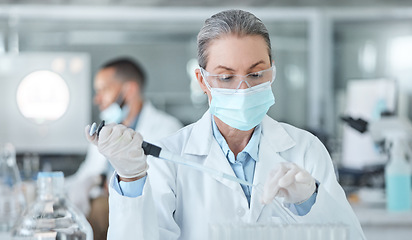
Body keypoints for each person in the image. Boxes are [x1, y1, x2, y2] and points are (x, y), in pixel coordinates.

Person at [86, 10, 366, 240]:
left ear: (272, 73)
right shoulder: (170, 157)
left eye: (256, 74)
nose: (243, 88)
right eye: (226, 77)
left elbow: (351, 237)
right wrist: (131, 180)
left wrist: (310, 201)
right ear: (202, 81)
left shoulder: (305, 150)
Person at [66, 58, 183, 239]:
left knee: (100, 209)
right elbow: (84, 177)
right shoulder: (108, 131)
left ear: (129, 90)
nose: (97, 99)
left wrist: (103, 182)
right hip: (103, 219)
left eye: (103, 90)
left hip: (141, 221)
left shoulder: (166, 129)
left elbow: (160, 189)